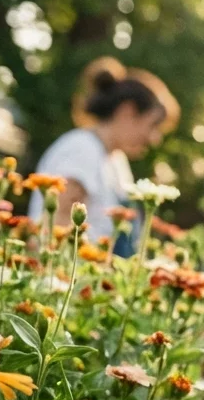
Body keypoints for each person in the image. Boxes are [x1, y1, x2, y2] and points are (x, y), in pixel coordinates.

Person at [28, 57, 179, 256]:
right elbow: (55, 231)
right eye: (153, 126)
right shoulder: (82, 150)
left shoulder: (116, 161)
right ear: (127, 111)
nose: (155, 139)